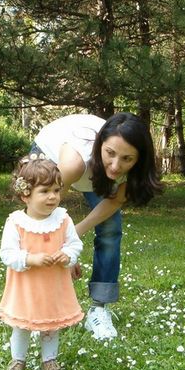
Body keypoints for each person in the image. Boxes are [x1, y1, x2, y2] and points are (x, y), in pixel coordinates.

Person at [32, 112, 162, 341]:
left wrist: (73, 237)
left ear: (139, 159)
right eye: (110, 153)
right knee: (39, 232)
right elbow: (45, 213)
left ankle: (99, 308)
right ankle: (39, 311)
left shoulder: (132, 171)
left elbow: (113, 203)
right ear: (101, 144)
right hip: (52, 155)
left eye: (127, 159)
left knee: (111, 228)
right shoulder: (73, 163)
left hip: (93, 171)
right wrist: (64, 251)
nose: (116, 166)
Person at [0, 154, 83, 370]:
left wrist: (68, 254)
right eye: (44, 191)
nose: (52, 196)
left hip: (53, 287)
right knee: (22, 325)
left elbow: (75, 244)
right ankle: (17, 360)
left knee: (51, 325)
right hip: (26, 287)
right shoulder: (16, 223)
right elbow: (7, 253)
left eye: (56, 190)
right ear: (25, 195)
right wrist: (30, 259)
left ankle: (49, 362)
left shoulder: (63, 220)